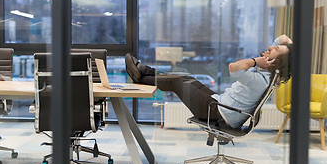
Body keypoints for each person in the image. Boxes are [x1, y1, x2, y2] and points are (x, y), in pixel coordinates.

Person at [125, 35, 293, 128]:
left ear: (275, 62)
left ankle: (140, 74)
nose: (271, 46)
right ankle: (142, 73)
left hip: (219, 114)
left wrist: (256, 61)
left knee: (178, 83)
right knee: (186, 78)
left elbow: (234, 67)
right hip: (220, 103)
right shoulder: (271, 74)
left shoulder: (260, 80)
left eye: (275, 50)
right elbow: (282, 39)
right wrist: (288, 48)